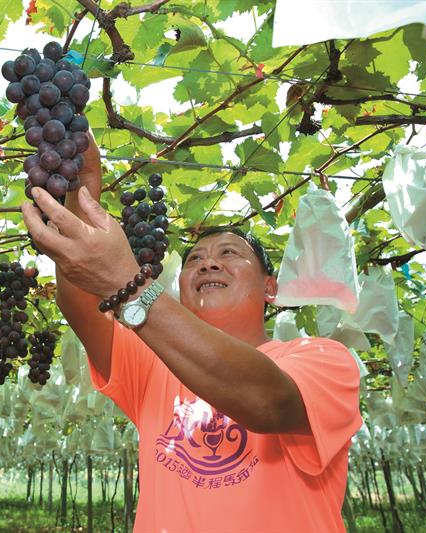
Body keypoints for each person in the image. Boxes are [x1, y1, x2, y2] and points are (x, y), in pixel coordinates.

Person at [21, 135, 362, 532]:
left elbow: (267, 402)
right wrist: (82, 190)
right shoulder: (153, 364)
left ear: (271, 288)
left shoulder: (323, 358)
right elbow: (79, 303)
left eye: (229, 254)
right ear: (179, 286)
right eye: (194, 259)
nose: (208, 264)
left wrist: (130, 285)